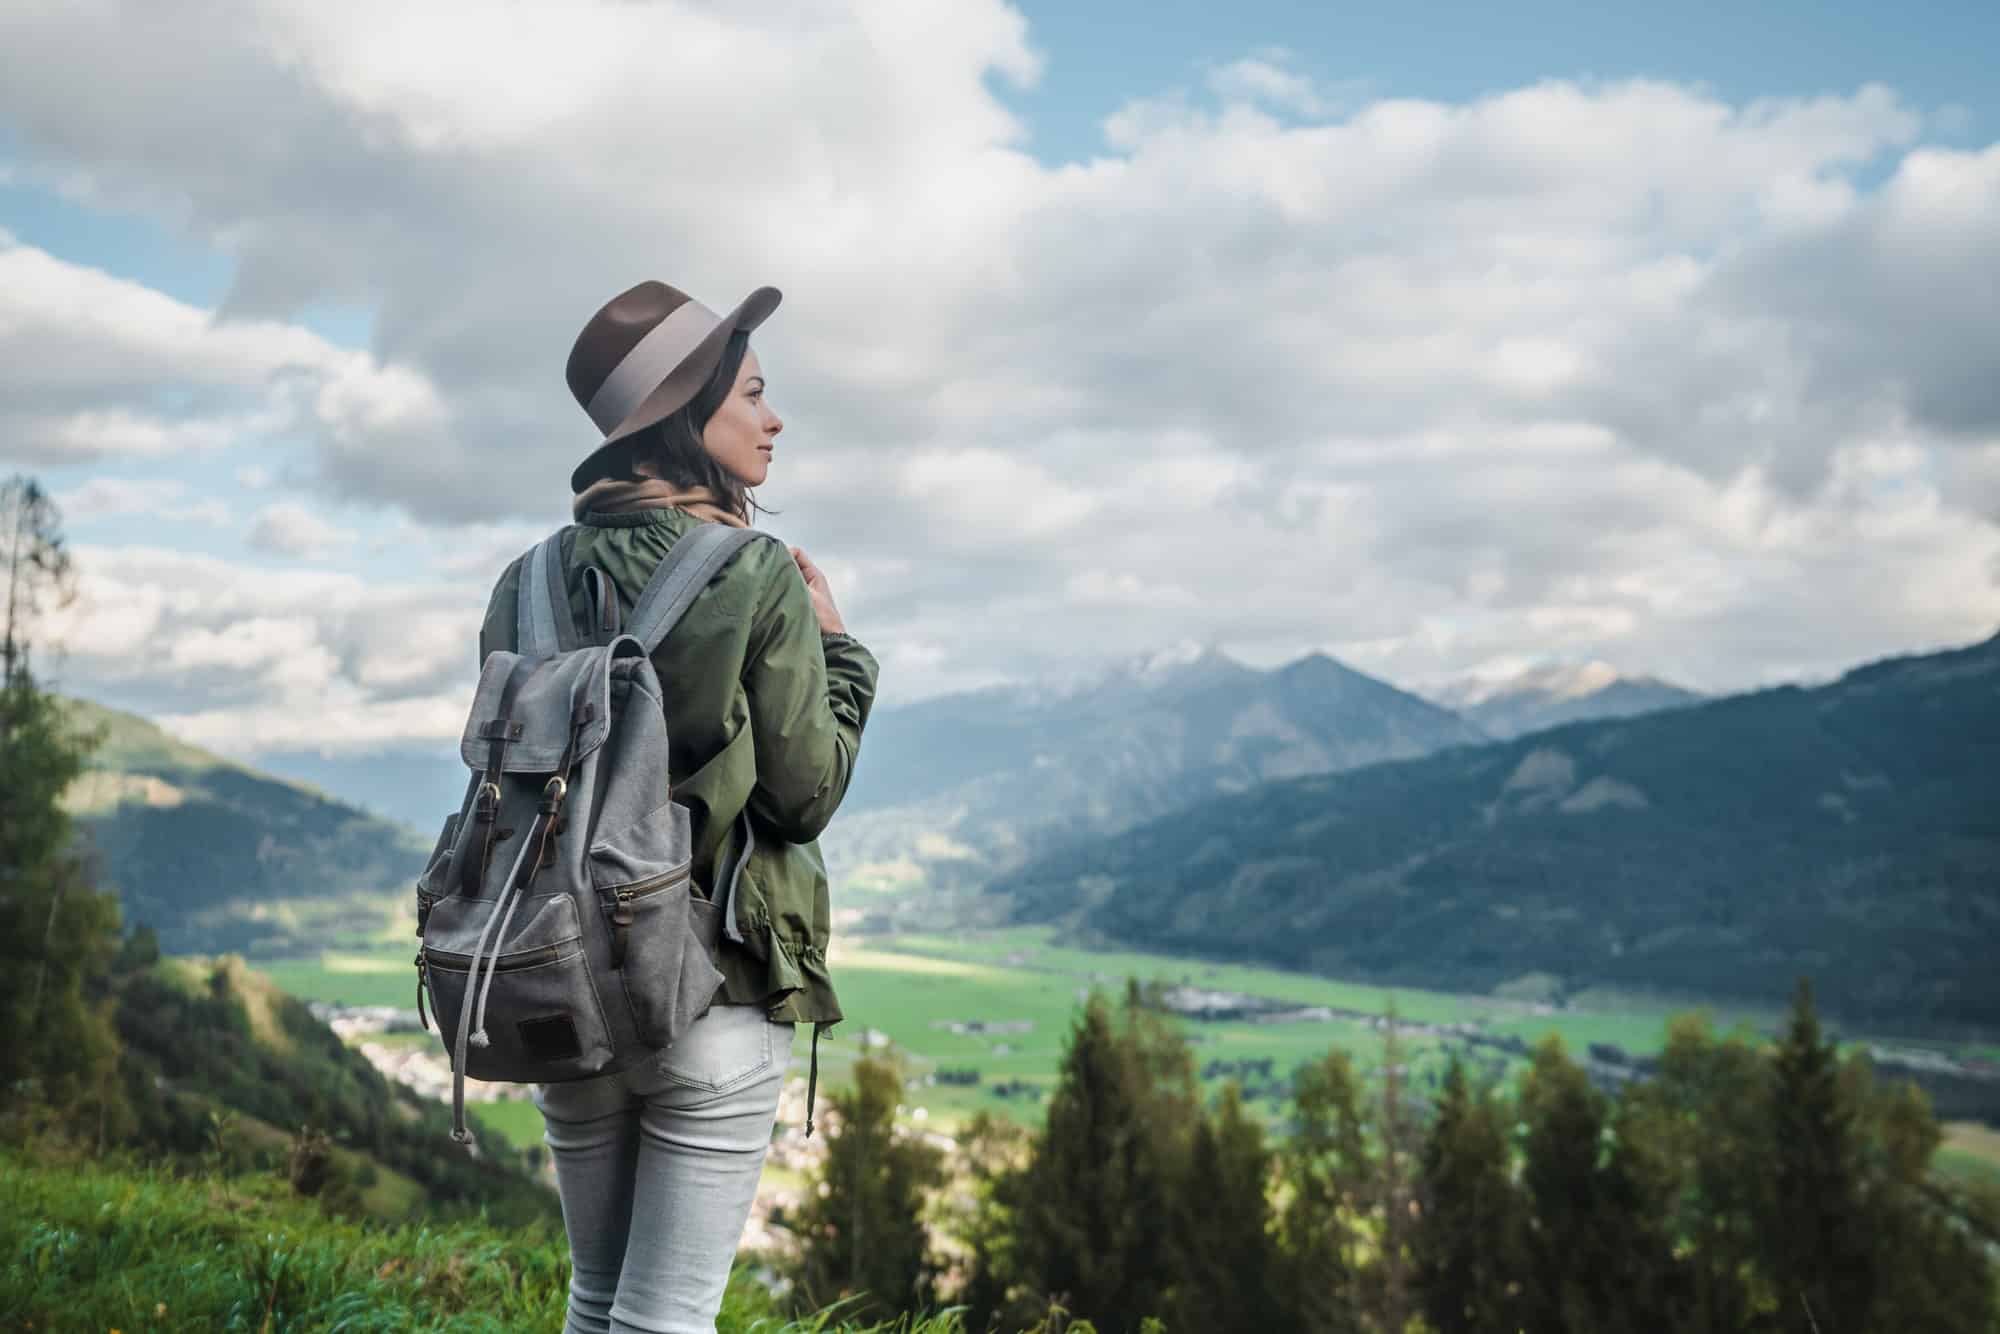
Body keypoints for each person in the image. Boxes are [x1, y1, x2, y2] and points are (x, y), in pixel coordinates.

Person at [475, 279, 877, 1333]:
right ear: (685, 420)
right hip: (713, 991)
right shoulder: (755, 575)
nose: (772, 417)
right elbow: (801, 795)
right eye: (751, 393)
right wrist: (838, 650)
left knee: (596, 1301)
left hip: (562, 984)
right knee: (667, 1317)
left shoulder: (523, 582)